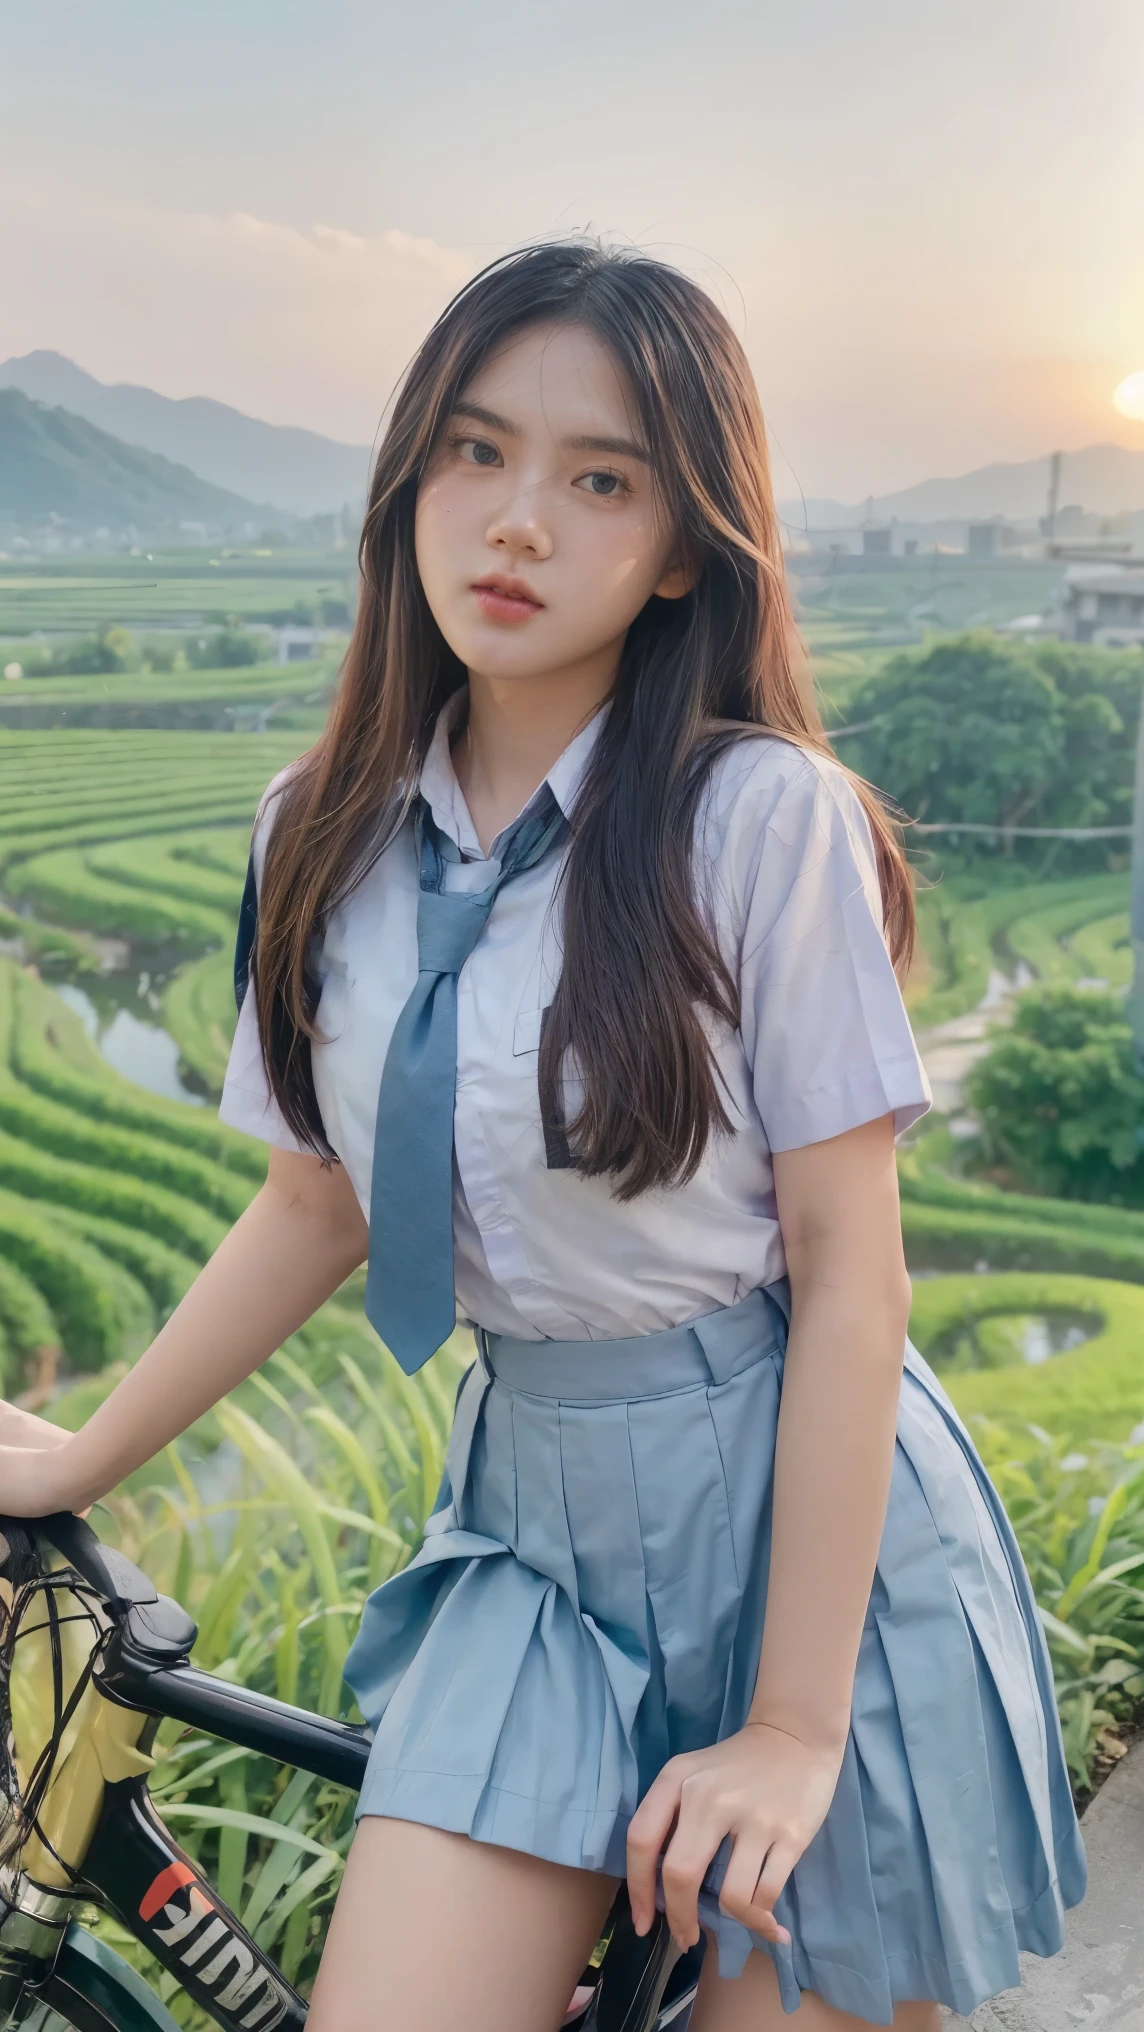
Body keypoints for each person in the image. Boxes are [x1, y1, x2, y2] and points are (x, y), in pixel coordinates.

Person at [0, 241, 1085, 2032]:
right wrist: (80, 1451)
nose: (519, 522)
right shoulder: (318, 832)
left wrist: (797, 1729)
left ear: (681, 554)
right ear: (409, 477)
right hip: (530, 1546)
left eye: (603, 481)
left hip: (817, 1541)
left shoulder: (757, 822)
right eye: (477, 452)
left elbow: (851, 1272)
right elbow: (317, 1198)